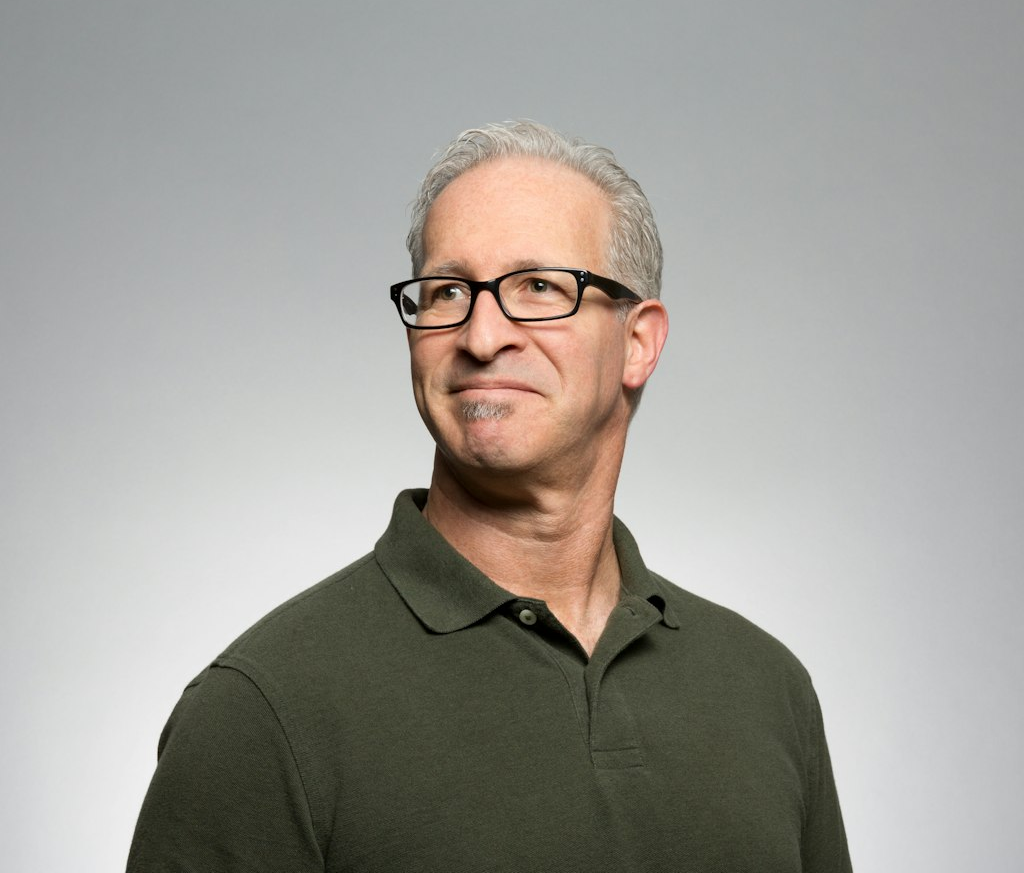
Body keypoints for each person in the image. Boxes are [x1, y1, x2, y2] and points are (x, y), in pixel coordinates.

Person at [127, 120, 852, 872]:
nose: (481, 335)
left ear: (639, 342)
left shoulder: (765, 689)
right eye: (446, 293)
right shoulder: (262, 709)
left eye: (538, 286)